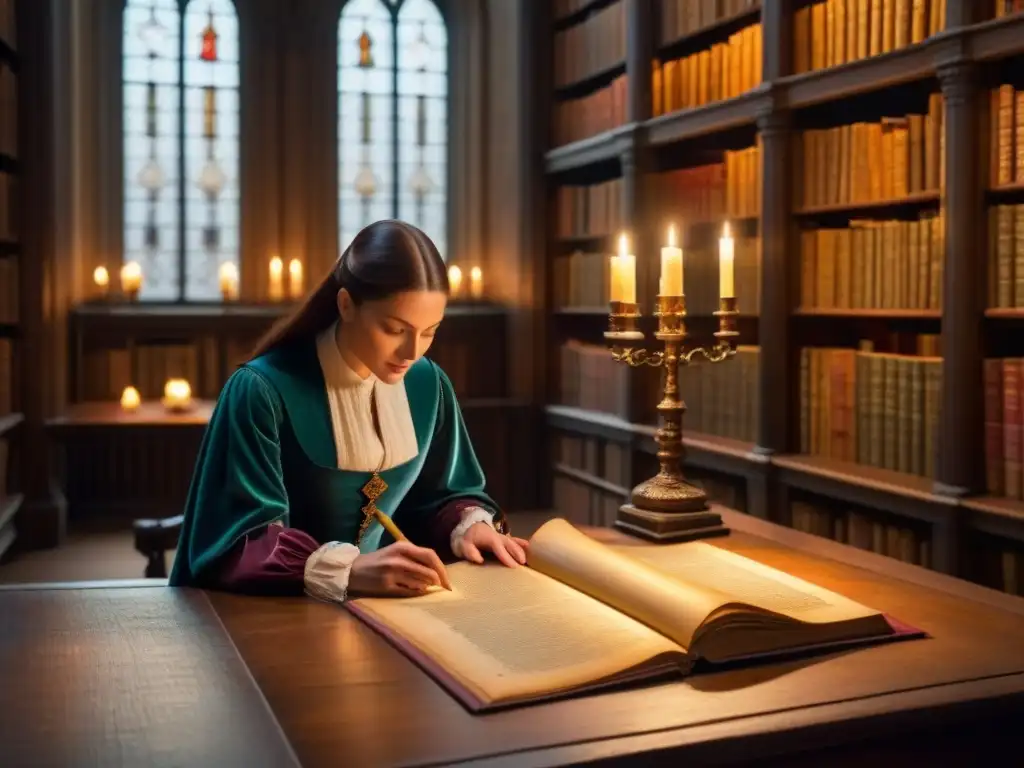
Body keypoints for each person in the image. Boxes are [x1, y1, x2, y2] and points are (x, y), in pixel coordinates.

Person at [169, 220, 528, 601]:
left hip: (388, 608)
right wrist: (348, 570)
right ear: (346, 305)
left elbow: (443, 493)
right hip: (278, 610)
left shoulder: (429, 384)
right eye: (394, 329)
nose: (412, 352)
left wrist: (468, 526)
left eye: (429, 331)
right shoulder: (262, 390)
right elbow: (241, 537)